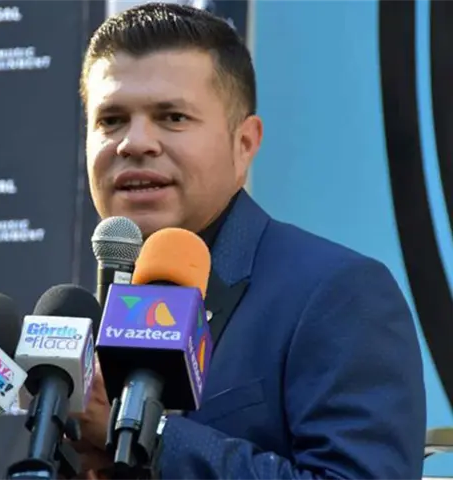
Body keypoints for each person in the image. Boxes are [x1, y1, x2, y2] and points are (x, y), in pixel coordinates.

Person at [73, 3, 426, 479]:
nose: (134, 143)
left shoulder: (339, 293)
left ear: (244, 144)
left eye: (172, 116)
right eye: (111, 120)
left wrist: (147, 437)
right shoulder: (80, 315)